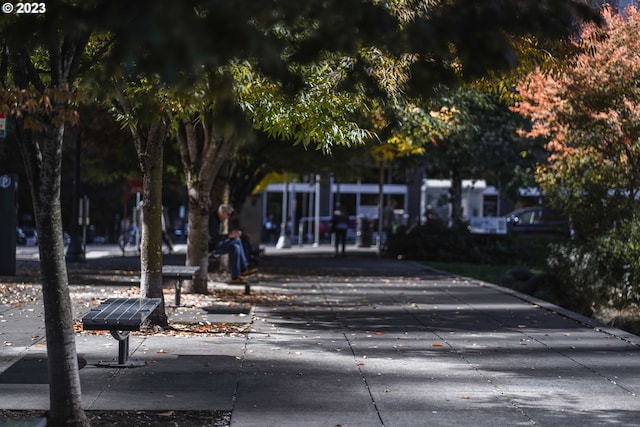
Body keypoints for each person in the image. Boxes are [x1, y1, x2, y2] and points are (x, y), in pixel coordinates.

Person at [210, 204, 257, 284]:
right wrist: (229, 236)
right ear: (222, 212)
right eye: (228, 214)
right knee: (236, 240)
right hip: (212, 247)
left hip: (216, 244)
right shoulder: (213, 220)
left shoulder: (218, 220)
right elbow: (214, 238)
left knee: (235, 247)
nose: (228, 217)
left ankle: (235, 277)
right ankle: (243, 268)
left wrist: (231, 235)